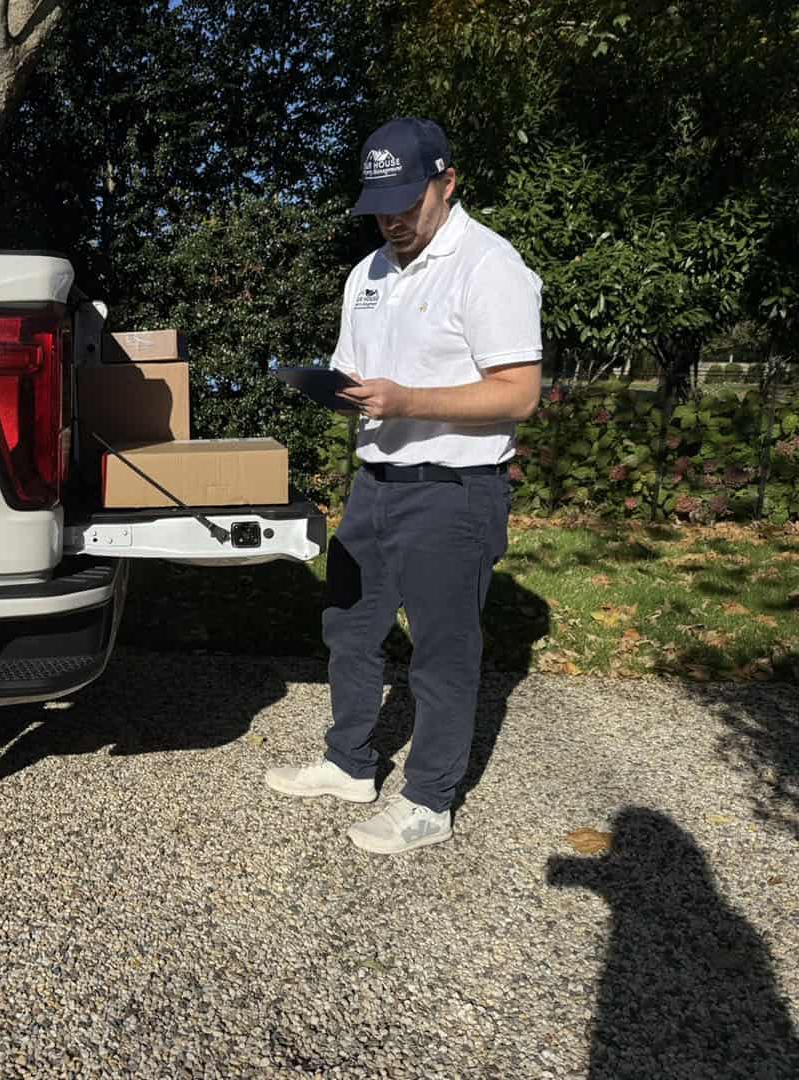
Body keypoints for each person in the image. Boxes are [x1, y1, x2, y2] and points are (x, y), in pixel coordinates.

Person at [265, 117, 543, 854]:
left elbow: (518, 394)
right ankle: (349, 764)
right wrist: (333, 391)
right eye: (379, 204)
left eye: (406, 201)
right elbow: (359, 376)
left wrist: (410, 400)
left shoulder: (489, 266)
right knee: (350, 628)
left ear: (447, 184)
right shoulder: (369, 273)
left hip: (455, 489)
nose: (392, 219)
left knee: (442, 649)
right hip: (376, 483)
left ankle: (429, 799)